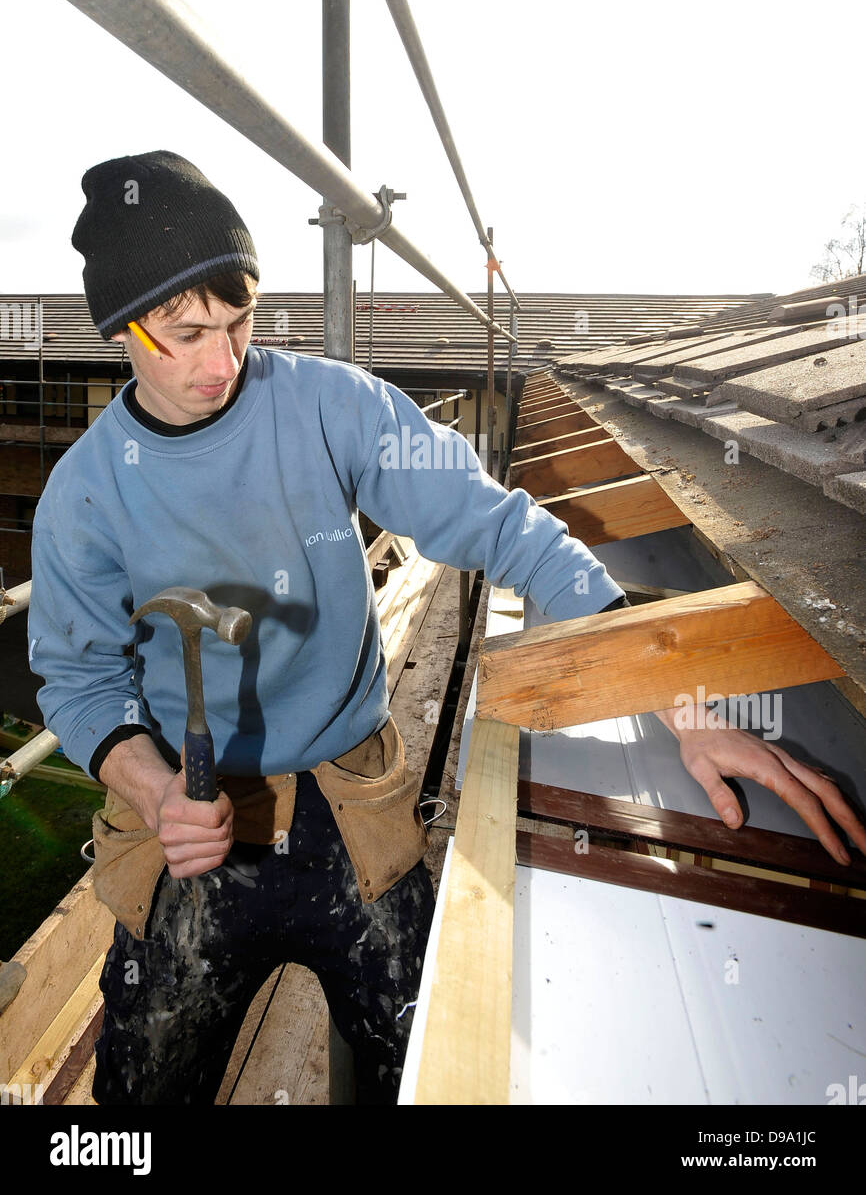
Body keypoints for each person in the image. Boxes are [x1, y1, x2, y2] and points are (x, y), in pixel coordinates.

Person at [28, 151, 866, 1106]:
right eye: (184, 334)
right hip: (193, 827)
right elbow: (82, 682)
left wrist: (672, 687)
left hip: (353, 804)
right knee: (137, 1101)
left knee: (428, 1068)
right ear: (118, 331)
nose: (223, 363)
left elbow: (493, 521)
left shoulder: (332, 406)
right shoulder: (84, 497)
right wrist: (153, 790)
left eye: (240, 322)